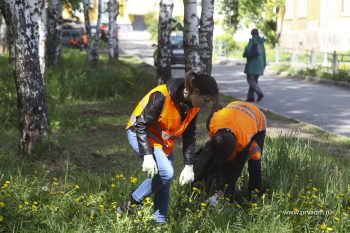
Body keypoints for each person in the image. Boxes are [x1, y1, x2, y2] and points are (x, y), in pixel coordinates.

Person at [118, 71, 219, 223]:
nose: (206, 105)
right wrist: (147, 155)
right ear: (195, 92)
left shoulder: (193, 106)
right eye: (205, 100)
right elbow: (140, 126)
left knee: (164, 183)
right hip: (140, 134)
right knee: (166, 173)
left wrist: (189, 165)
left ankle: (160, 223)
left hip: (162, 142)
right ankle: (131, 204)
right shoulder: (162, 96)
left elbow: (189, 135)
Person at [194, 100, 267, 205]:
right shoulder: (213, 124)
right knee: (221, 161)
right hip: (234, 108)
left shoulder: (244, 141)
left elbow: (236, 170)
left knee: (254, 162)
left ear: (235, 149)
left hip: (257, 119)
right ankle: (221, 191)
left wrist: (220, 193)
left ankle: (253, 200)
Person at [243, 28, 266, 102]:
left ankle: (259, 93)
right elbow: (264, 54)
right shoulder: (261, 42)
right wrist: (264, 64)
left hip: (252, 64)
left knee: (250, 80)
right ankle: (250, 98)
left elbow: (247, 51)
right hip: (261, 64)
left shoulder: (252, 41)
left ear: (252, 34)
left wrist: (245, 54)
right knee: (254, 81)